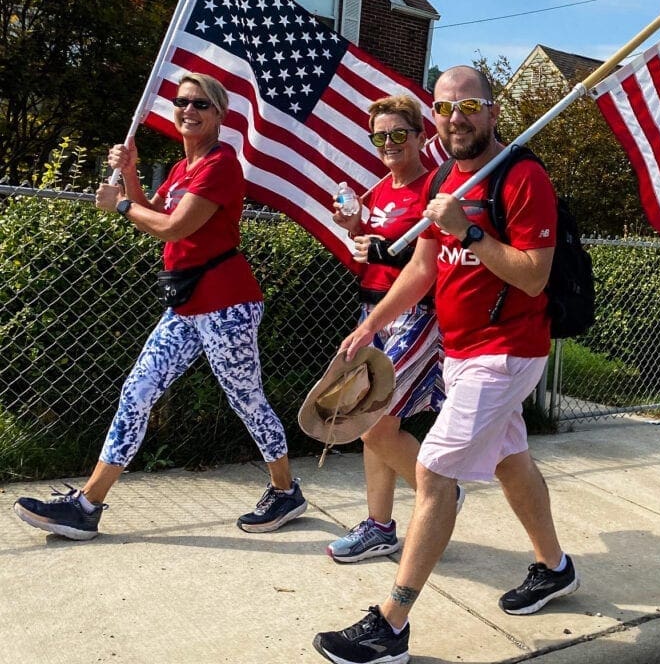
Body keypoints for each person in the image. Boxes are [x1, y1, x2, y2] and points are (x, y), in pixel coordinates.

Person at [313, 66, 578, 664]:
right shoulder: (441, 176)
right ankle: (555, 567)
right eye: (444, 107)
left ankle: (391, 626)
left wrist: (472, 232)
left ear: (492, 112)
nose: (455, 118)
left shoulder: (521, 176)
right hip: (461, 352)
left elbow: (533, 276)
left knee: (433, 473)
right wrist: (372, 322)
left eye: (469, 106)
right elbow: (423, 269)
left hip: (507, 353)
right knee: (512, 461)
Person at [12, 72, 306, 540]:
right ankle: (87, 505)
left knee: (246, 400)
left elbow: (174, 229)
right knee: (138, 391)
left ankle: (285, 490)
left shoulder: (221, 164)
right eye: (181, 100)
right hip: (186, 304)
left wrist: (121, 206)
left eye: (200, 104)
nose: (188, 108)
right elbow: (156, 212)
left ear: (219, 115)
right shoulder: (181, 167)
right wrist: (130, 173)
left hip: (227, 303)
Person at [326, 94, 453, 563]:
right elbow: (371, 249)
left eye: (399, 133)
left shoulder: (432, 189)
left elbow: (431, 261)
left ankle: (438, 493)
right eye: (380, 136)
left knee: (371, 421)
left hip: (416, 315)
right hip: (372, 311)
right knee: (375, 423)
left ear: (421, 137)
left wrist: (380, 249)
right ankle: (379, 526)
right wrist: (352, 224)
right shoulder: (378, 190)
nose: (389, 143)